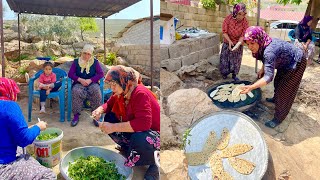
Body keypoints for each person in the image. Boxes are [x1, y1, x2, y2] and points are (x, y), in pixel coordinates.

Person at [92, 65, 160, 180]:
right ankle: (128, 149)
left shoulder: (140, 93)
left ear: (124, 81)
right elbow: (109, 104)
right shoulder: (123, 91)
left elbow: (144, 124)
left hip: (155, 134)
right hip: (140, 129)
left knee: (140, 138)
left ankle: (155, 164)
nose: (112, 88)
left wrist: (114, 127)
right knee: (109, 118)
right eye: (110, 84)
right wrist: (99, 110)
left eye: (114, 84)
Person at [240, 26, 306, 128]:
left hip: (297, 62)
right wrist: (262, 69)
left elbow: (268, 77)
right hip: (285, 61)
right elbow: (266, 60)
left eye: (252, 43)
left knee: (285, 91)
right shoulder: (264, 42)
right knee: (278, 82)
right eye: (247, 44)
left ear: (259, 39)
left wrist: (251, 87)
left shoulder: (269, 52)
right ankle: (276, 99)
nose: (250, 47)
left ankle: (278, 118)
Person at [0, 77, 56, 179]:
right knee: (49, 176)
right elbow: (24, 139)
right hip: (3, 167)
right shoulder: (9, 106)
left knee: (22, 152)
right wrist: (38, 127)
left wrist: (28, 129)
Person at [68, 44, 104, 127]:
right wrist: (80, 79)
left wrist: (90, 80)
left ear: (91, 55)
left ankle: (96, 116)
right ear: (82, 53)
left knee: (96, 91)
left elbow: (101, 74)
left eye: (89, 54)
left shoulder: (95, 62)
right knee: (76, 91)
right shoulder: (76, 62)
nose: (86, 55)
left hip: (92, 83)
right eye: (85, 53)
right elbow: (70, 74)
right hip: (79, 83)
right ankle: (76, 116)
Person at [220, 3, 249, 81]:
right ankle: (224, 74)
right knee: (225, 58)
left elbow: (243, 35)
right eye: (239, 14)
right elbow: (224, 32)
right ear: (235, 12)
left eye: (243, 14)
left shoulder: (245, 22)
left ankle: (234, 75)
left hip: (238, 42)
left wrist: (238, 44)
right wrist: (229, 41)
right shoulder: (228, 19)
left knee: (236, 60)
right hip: (227, 41)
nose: (241, 17)